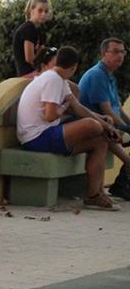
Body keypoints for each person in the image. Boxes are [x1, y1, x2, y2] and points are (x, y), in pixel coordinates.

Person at [16, 45, 120, 210]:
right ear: (74, 67)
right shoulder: (52, 80)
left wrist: (103, 120)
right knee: (93, 126)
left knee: (100, 140)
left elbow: (78, 107)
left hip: (48, 134)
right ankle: (113, 140)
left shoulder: (59, 79)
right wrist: (100, 124)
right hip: (36, 137)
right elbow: (50, 115)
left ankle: (94, 195)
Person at [78, 37, 130, 199]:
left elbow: (118, 109)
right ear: (103, 54)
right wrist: (127, 129)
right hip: (99, 130)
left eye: (123, 52)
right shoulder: (97, 75)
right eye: (115, 52)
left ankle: (122, 185)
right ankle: (122, 186)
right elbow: (108, 112)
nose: (120, 56)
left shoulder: (109, 75)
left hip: (108, 128)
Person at [12, 0, 50, 77]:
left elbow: (41, 54)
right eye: (40, 11)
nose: (43, 14)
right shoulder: (28, 28)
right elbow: (29, 58)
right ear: (31, 11)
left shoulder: (39, 31)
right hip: (28, 73)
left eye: (46, 11)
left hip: (36, 71)